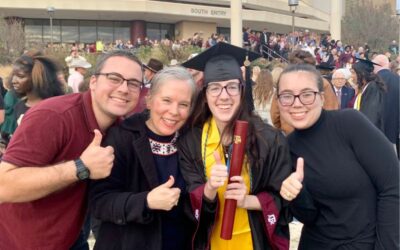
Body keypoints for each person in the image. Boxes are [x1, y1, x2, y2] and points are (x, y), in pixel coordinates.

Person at [0, 50, 144, 249]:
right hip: (20, 242)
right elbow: (3, 186)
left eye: (134, 83)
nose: (124, 88)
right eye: (114, 78)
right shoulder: (54, 116)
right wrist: (81, 167)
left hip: (72, 239)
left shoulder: (121, 129)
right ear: (93, 82)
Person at [180, 42, 293, 249]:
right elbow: (186, 202)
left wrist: (249, 201)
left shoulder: (269, 139)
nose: (224, 96)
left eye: (232, 86)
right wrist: (209, 189)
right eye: (214, 88)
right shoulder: (191, 142)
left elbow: (284, 200)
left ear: (242, 91)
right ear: (204, 95)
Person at [277, 64, 399, 249]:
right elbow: (310, 217)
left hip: (365, 243)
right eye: (287, 96)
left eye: (307, 94)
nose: (297, 102)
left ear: (321, 97)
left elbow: (393, 186)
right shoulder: (286, 147)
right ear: (278, 101)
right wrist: (296, 195)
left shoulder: (349, 124)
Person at [89, 66, 197, 250]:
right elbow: (100, 202)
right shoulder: (121, 138)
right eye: (166, 100)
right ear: (149, 101)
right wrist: (147, 201)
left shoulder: (191, 140)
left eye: (183, 104)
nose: (174, 111)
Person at [270, 50, 338, 134]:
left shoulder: (284, 84)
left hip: (291, 136)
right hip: (317, 136)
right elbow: (332, 111)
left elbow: (275, 115)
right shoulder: (322, 83)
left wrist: (286, 127)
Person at [10, 51, 65, 126]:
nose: (13, 81)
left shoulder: (52, 108)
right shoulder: (18, 106)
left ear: (35, 78)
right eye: (13, 75)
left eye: (21, 76)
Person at [372, 54, 400, 156]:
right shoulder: (397, 79)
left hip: (378, 130)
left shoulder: (374, 80)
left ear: (377, 65)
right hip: (395, 129)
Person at [352, 58, 386, 132]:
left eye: (353, 73)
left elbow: (370, 116)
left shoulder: (373, 88)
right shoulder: (366, 87)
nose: (352, 76)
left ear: (362, 73)